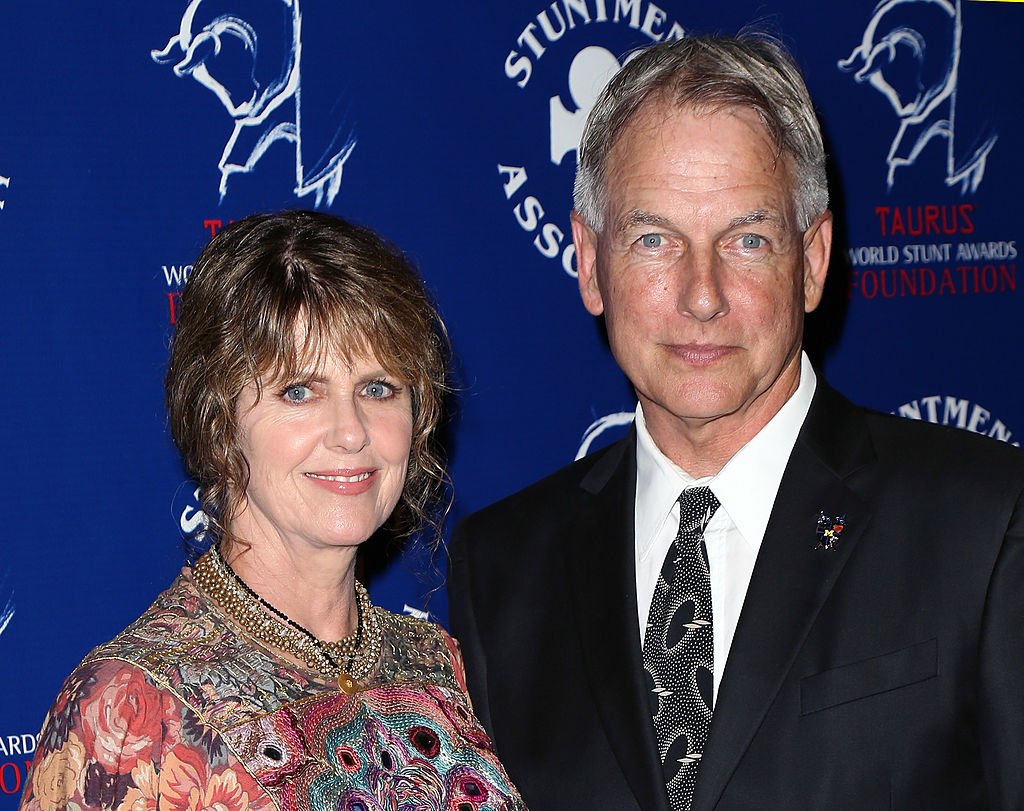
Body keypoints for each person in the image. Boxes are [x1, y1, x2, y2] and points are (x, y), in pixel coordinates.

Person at [448, 34, 1024, 810]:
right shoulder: (502, 571)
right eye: (655, 240)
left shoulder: (984, 524)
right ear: (589, 262)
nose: (702, 294)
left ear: (813, 260)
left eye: (746, 240)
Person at [22, 211, 525, 811]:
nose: (351, 432)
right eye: (299, 391)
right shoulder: (132, 708)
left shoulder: (433, 663)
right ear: (217, 421)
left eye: (378, 388)